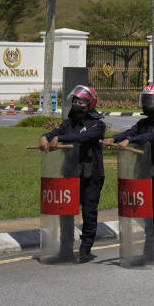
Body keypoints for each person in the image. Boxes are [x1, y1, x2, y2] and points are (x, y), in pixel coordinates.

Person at [103, 84, 154, 268]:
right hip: (143, 174)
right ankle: (149, 253)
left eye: (152, 100)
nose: (148, 103)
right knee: (147, 216)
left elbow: (152, 136)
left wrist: (131, 140)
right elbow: (130, 133)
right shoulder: (142, 124)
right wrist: (115, 138)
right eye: (146, 99)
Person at [39, 85, 105, 263]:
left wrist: (60, 139)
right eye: (74, 101)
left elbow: (82, 137)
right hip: (70, 174)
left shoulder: (97, 124)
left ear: (89, 104)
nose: (76, 104)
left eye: (80, 101)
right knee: (66, 213)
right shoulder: (68, 123)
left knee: (89, 213)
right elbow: (54, 133)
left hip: (91, 175)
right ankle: (65, 248)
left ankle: (85, 249)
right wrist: (45, 137)